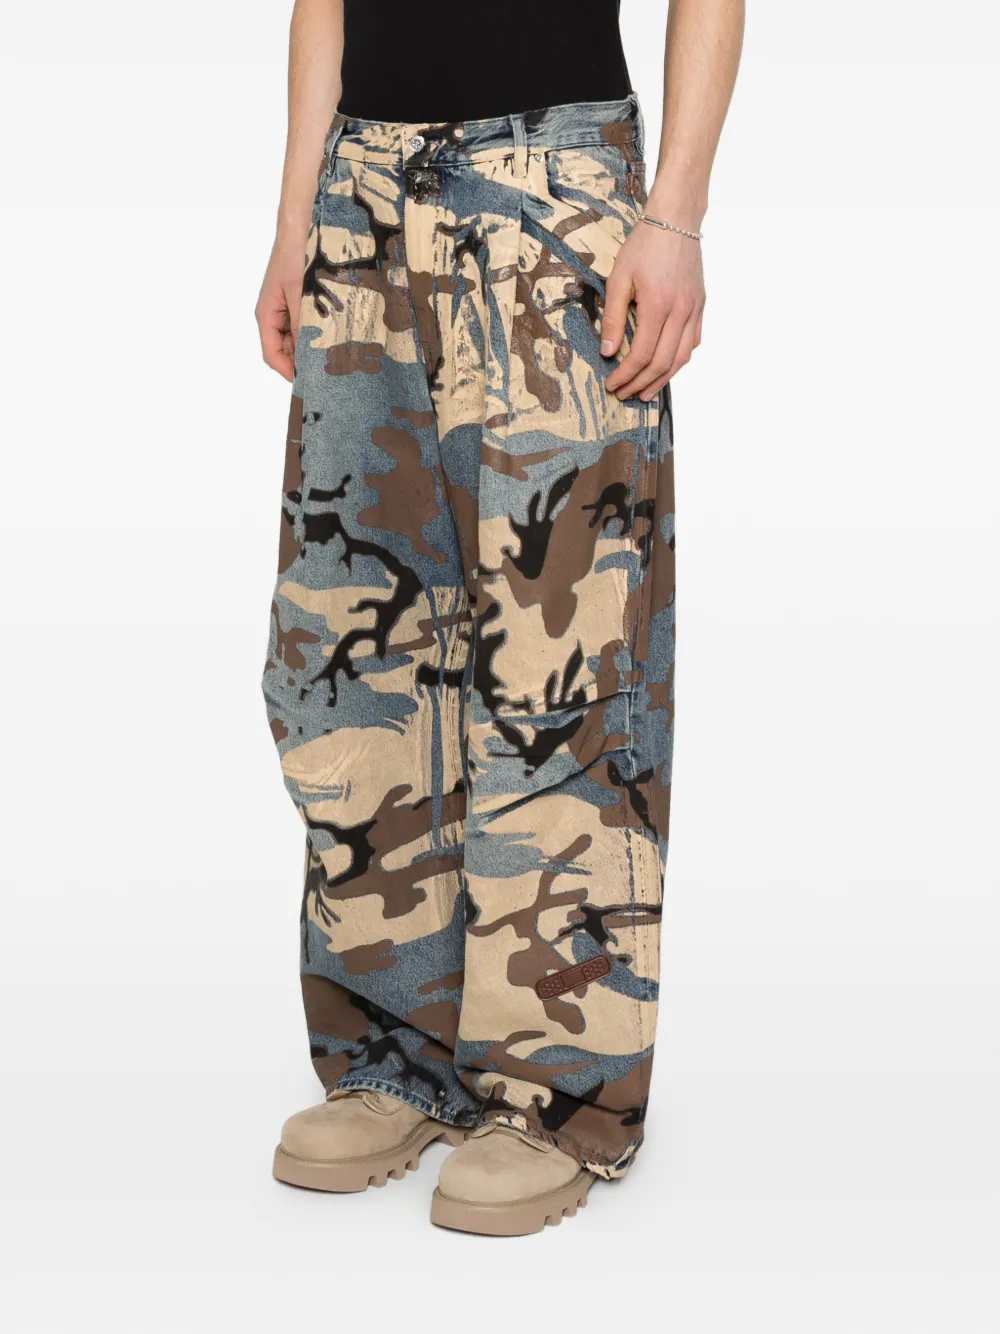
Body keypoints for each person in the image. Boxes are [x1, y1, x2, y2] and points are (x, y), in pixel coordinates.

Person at [255, 0, 743, 1236]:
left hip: (553, 185)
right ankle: (394, 1056)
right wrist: (296, 216)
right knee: (355, 649)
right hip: (363, 191)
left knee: (557, 650)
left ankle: (553, 1091)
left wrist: (673, 214)